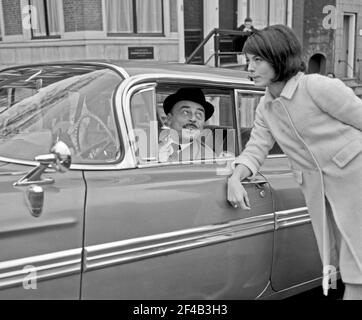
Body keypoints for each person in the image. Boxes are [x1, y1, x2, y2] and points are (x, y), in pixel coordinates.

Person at [227, 24, 362, 300]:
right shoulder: (265, 108)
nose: (249, 68)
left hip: (356, 184)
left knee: (355, 270)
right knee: (350, 268)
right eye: (247, 60)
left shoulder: (316, 87)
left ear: (279, 57)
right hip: (321, 194)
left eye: (257, 60)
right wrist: (234, 177)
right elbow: (255, 149)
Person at [158, 87, 215, 162]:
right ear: (169, 119)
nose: (193, 118)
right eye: (185, 112)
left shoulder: (209, 159)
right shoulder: (149, 147)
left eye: (199, 114)